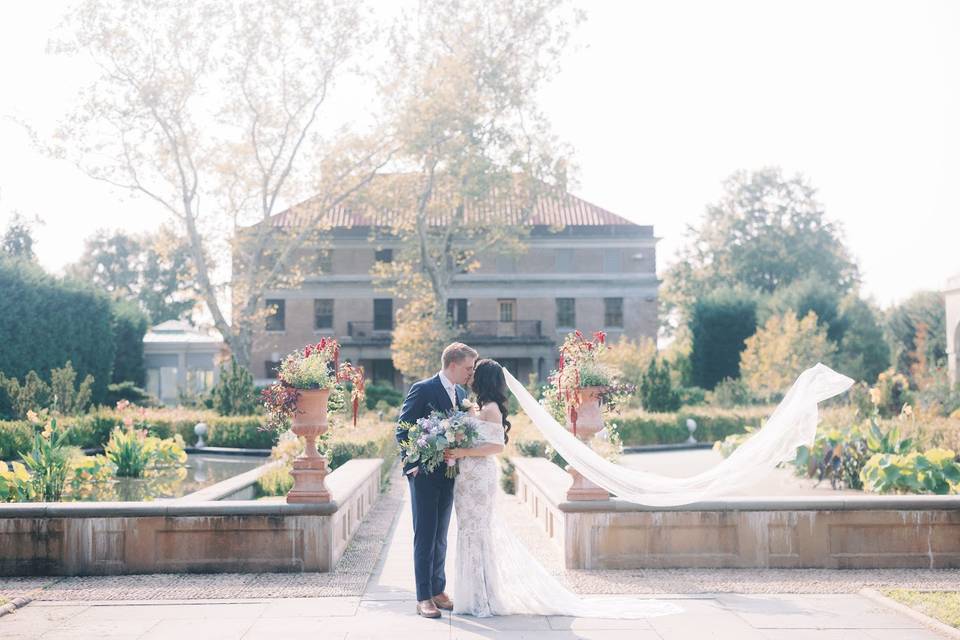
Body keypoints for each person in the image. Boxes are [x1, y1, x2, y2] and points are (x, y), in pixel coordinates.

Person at [395, 342, 477, 618]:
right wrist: (414, 466)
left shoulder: (463, 393)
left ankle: (438, 589)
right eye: (468, 367)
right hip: (425, 476)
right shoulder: (423, 388)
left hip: (451, 474)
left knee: (441, 534)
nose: (470, 373)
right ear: (452, 364)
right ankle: (423, 597)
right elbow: (402, 430)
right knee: (425, 535)